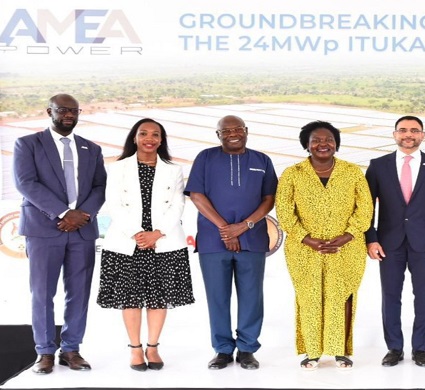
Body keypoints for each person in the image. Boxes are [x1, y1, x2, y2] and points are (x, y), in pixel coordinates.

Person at [13, 94, 107, 374]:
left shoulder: (91, 148)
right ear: (49, 112)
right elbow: (25, 183)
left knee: (78, 292)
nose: (68, 115)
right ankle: (44, 352)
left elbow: (100, 187)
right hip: (44, 229)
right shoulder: (27, 144)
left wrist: (82, 215)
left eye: (74, 110)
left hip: (82, 231)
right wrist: (64, 214)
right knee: (42, 293)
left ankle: (71, 349)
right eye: (62, 110)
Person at [97, 118, 194, 371]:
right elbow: (114, 204)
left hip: (164, 241)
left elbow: (178, 205)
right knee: (130, 299)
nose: (149, 138)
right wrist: (138, 234)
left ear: (162, 140)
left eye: (155, 135)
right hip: (127, 243)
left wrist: (156, 234)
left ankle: (153, 347)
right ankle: (135, 349)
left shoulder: (174, 169)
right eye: (144, 133)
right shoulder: (117, 168)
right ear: (134, 137)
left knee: (158, 299)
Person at [276, 121, 373, 370]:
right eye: (316, 140)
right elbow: (285, 212)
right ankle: (312, 351)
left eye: (329, 139)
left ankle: (341, 351)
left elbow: (365, 210)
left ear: (337, 144)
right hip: (304, 250)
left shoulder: (352, 172)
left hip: (346, 248)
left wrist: (348, 235)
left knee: (343, 296)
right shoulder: (292, 173)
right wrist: (307, 239)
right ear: (307, 145)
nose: (323, 144)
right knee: (309, 298)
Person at [184, 115, 278, 370]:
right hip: (213, 240)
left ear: (247, 131)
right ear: (218, 135)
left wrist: (244, 226)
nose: (233, 133)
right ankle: (223, 349)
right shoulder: (205, 157)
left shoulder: (262, 160)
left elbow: (269, 199)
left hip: (252, 238)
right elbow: (196, 194)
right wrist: (226, 229)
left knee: (251, 296)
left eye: (238, 129)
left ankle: (247, 349)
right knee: (217, 296)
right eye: (226, 130)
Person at [365, 115, 425, 367]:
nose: (409, 134)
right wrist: (371, 239)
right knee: (390, 296)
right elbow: (365, 208)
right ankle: (394, 347)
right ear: (394, 134)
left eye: (414, 130)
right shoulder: (378, 165)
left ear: (422, 135)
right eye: (403, 130)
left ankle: (420, 348)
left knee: (424, 295)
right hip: (387, 243)